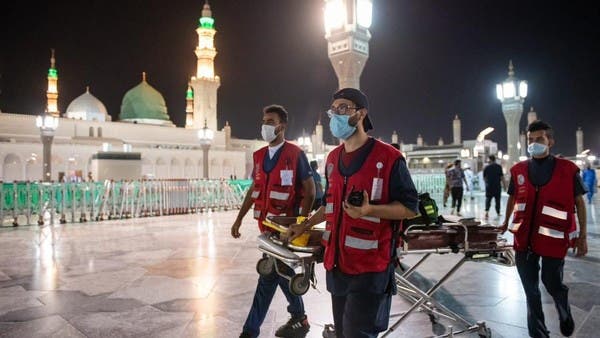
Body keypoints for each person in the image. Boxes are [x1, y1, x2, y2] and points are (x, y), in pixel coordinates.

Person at [287, 88, 418, 338]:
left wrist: (371, 210)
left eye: (343, 108)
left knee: (356, 333)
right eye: (333, 110)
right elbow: (329, 204)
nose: (336, 114)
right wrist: (303, 226)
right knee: (344, 333)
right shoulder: (333, 159)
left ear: (361, 114)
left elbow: (410, 208)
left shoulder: (389, 158)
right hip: (337, 264)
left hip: (371, 266)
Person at [231, 104, 316, 338]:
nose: (265, 125)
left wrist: (300, 223)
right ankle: (299, 318)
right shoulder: (258, 156)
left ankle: (250, 331)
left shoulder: (295, 154)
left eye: (270, 121)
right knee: (278, 272)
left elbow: (310, 190)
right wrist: (238, 219)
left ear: (282, 126)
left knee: (269, 276)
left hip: (287, 229)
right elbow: (253, 190)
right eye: (264, 120)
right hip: (267, 229)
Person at [501, 120, 588, 338]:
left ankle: (563, 307)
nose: (533, 143)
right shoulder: (518, 170)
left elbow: (579, 203)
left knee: (551, 282)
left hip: (553, 239)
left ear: (550, 141)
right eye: (530, 140)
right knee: (530, 291)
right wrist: (505, 222)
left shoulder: (567, 170)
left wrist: (583, 237)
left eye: (539, 139)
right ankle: (539, 333)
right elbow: (512, 198)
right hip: (523, 240)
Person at [483, 155, 505, 220]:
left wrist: (486, 184)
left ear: (490, 159)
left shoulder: (486, 167)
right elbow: (502, 177)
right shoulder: (499, 167)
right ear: (495, 159)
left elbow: (484, 178)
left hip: (489, 186)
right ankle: (498, 212)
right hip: (497, 186)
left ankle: (486, 212)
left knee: (488, 199)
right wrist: (504, 186)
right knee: (497, 200)